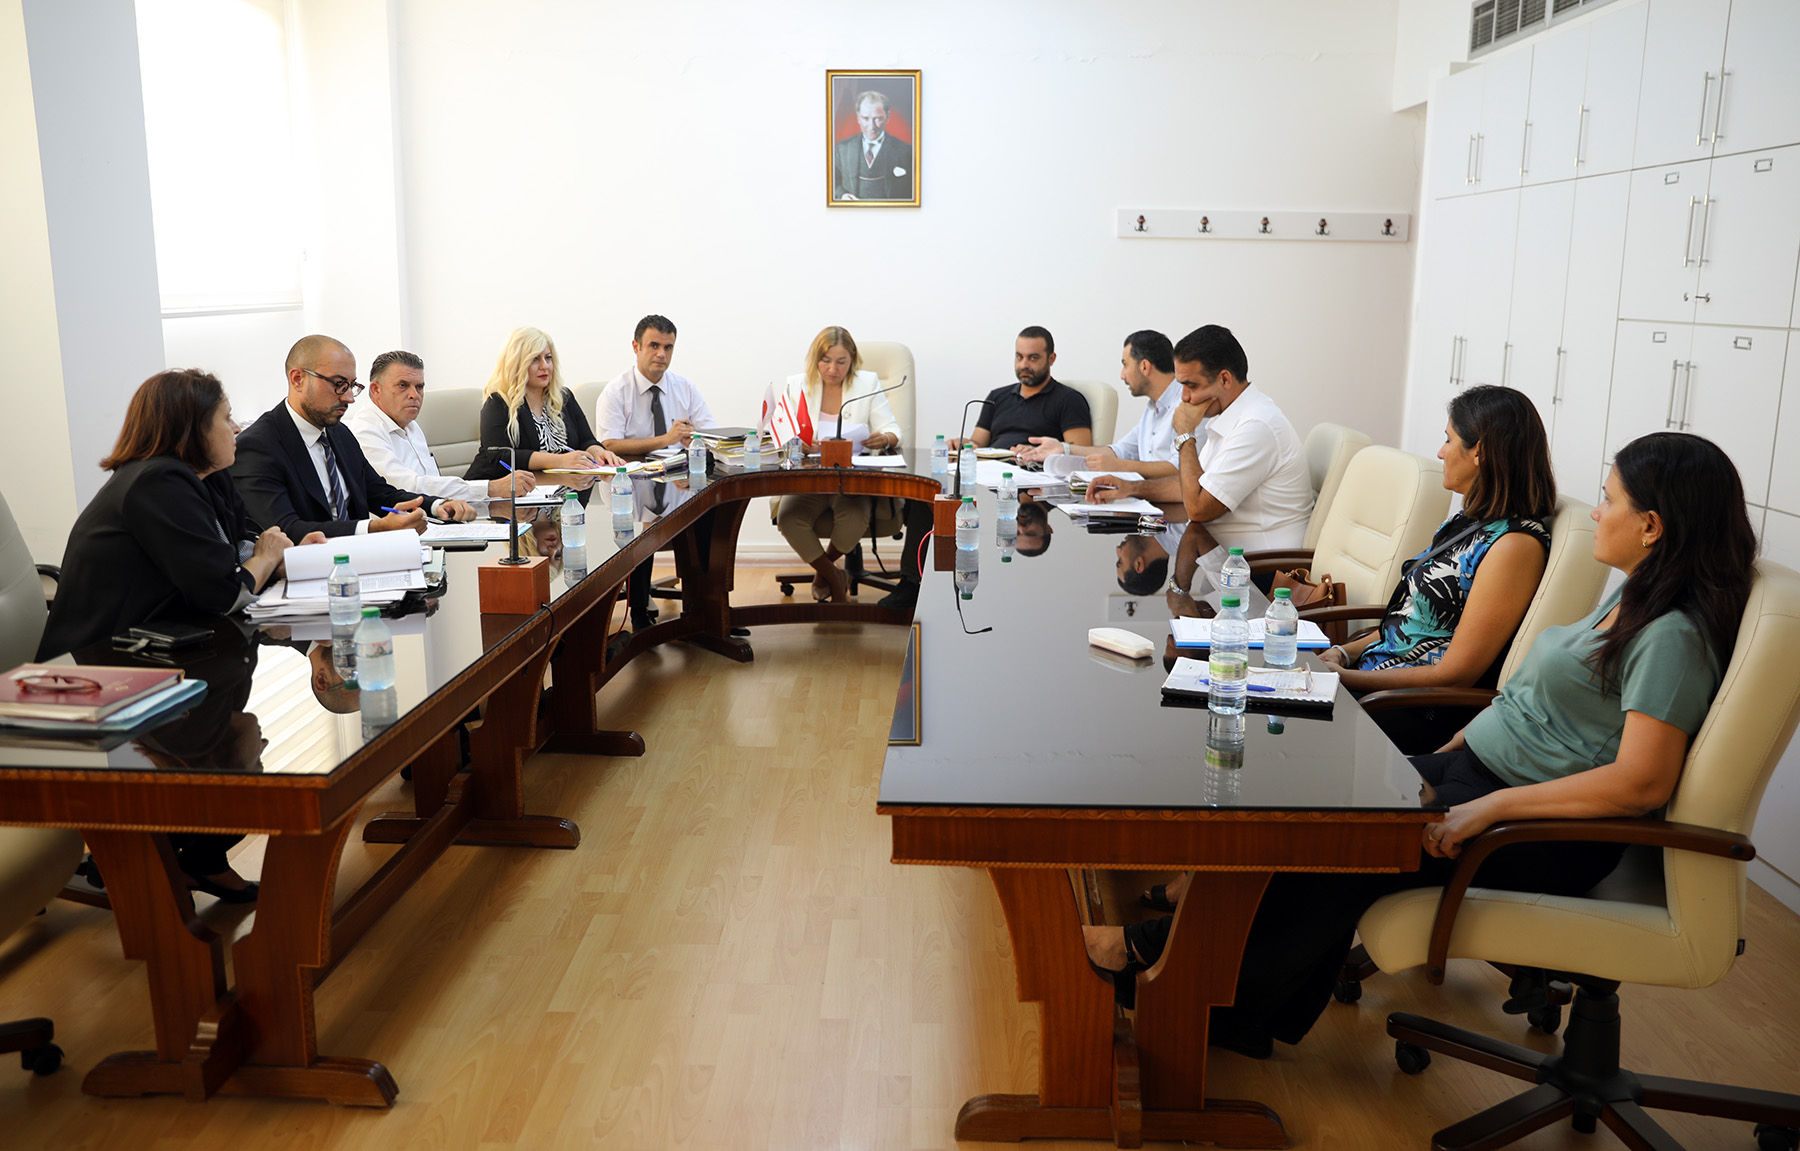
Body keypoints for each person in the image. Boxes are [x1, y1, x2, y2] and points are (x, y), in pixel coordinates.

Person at [1086, 432, 1758, 1059]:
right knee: (1299, 807)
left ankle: (1181, 983)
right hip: (1485, 774)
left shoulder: (1672, 636)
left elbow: (1642, 782)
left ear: (1651, 526)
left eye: (1610, 500)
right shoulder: (1637, 598)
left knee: (1330, 841)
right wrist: (1466, 741)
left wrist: (1486, 810)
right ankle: (1209, 994)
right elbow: (1551, 709)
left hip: (1542, 827)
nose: (1598, 512)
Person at [39, 369, 302, 661]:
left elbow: (236, 547)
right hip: (98, 661)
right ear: (193, 430)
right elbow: (225, 595)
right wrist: (266, 559)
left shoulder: (210, 475)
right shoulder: (155, 484)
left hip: (162, 646)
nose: (236, 427)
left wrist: (287, 558)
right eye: (226, 417)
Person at [1087, 325, 1312, 582]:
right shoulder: (1229, 416)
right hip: (1227, 561)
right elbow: (1192, 488)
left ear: (1225, 379)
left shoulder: (1255, 426)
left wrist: (1185, 434)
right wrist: (1131, 488)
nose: (1184, 398)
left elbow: (1197, 508)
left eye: (1191, 385)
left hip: (1265, 576)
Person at [233, 335, 472, 539]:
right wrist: (375, 528)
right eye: (339, 384)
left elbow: (379, 493)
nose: (349, 398)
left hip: (359, 562)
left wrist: (437, 505)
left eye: (351, 386)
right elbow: (286, 529)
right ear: (298, 379)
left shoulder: (338, 433)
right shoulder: (257, 447)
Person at [596, 315, 715, 629]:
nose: (661, 354)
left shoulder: (684, 388)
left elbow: (709, 434)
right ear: (636, 347)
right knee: (646, 520)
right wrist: (666, 439)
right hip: (631, 483)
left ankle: (704, 611)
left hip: (677, 480)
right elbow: (610, 444)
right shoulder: (615, 392)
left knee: (712, 509)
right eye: (654, 345)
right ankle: (638, 614)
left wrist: (694, 439)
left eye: (668, 347)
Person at [775, 326, 902, 602]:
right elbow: (780, 433)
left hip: (852, 480)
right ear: (815, 359)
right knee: (788, 518)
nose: (832, 369)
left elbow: (892, 429)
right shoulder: (796, 385)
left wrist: (884, 438)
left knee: (854, 518)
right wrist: (797, 443)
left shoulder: (867, 383)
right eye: (825, 361)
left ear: (852, 360)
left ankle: (824, 573)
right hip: (810, 479)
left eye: (841, 362)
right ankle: (834, 575)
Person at [346, 348, 539, 509]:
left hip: (435, 517)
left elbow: (430, 480)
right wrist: (491, 488)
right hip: (397, 531)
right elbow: (406, 488)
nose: (414, 395)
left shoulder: (411, 425)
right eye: (403, 385)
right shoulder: (365, 431)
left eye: (419, 387)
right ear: (376, 390)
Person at [468, 326, 625, 481]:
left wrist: (598, 453)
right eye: (535, 359)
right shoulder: (498, 402)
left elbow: (586, 440)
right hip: (498, 491)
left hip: (559, 488)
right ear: (516, 364)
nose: (544, 366)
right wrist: (561, 461)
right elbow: (501, 456)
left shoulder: (563, 397)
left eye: (548, 358)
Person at [1019, 330, 1182, 477]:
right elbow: (1120, 451)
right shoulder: (1152, 409)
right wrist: (1064, 449)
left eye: (1125, 365)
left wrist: (1120, 466)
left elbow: (1180, 469)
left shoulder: (1185, 405)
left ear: (1144, 367)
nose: (1122, 375)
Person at [955, 327, 1093, 452]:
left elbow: (1080, 455)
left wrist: (1037, 452)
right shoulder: (996, 397)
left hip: (1033, 469)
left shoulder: (1069, 400)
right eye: (1019, 357)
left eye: (1033, 358)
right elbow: (977, 444)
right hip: (990, 468)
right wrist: (962, 445)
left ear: (1051, 359)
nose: (1024, 365)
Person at [833, 89, 914, 202]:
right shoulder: (842, 149)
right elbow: (831, 182)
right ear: (858, 118)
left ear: (887, 117)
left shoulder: (906, 151)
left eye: (877, 119)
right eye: (865, 118)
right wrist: (842, 195)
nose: (871, 126)